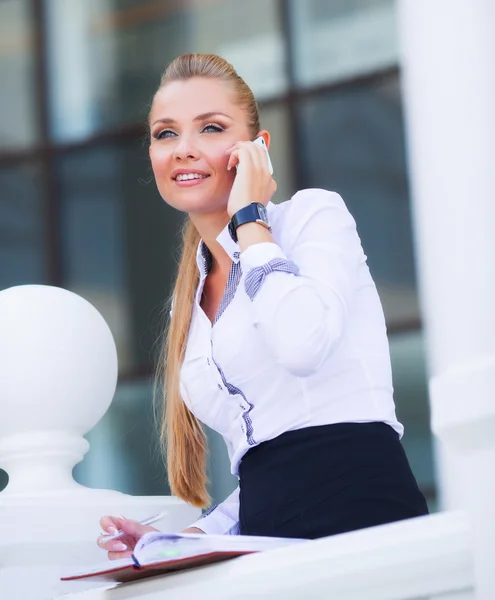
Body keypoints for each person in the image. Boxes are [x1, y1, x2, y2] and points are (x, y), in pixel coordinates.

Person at [98, 53, 428, 560]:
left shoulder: (313, 218)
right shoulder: (186, 303)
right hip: (268, 546)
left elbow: (301, 345)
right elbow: (269, 468)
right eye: (166, 134)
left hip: (363, 520)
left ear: (257, 149)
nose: (184, 150)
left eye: (210, 127)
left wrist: (249, 219)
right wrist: (184, 540)